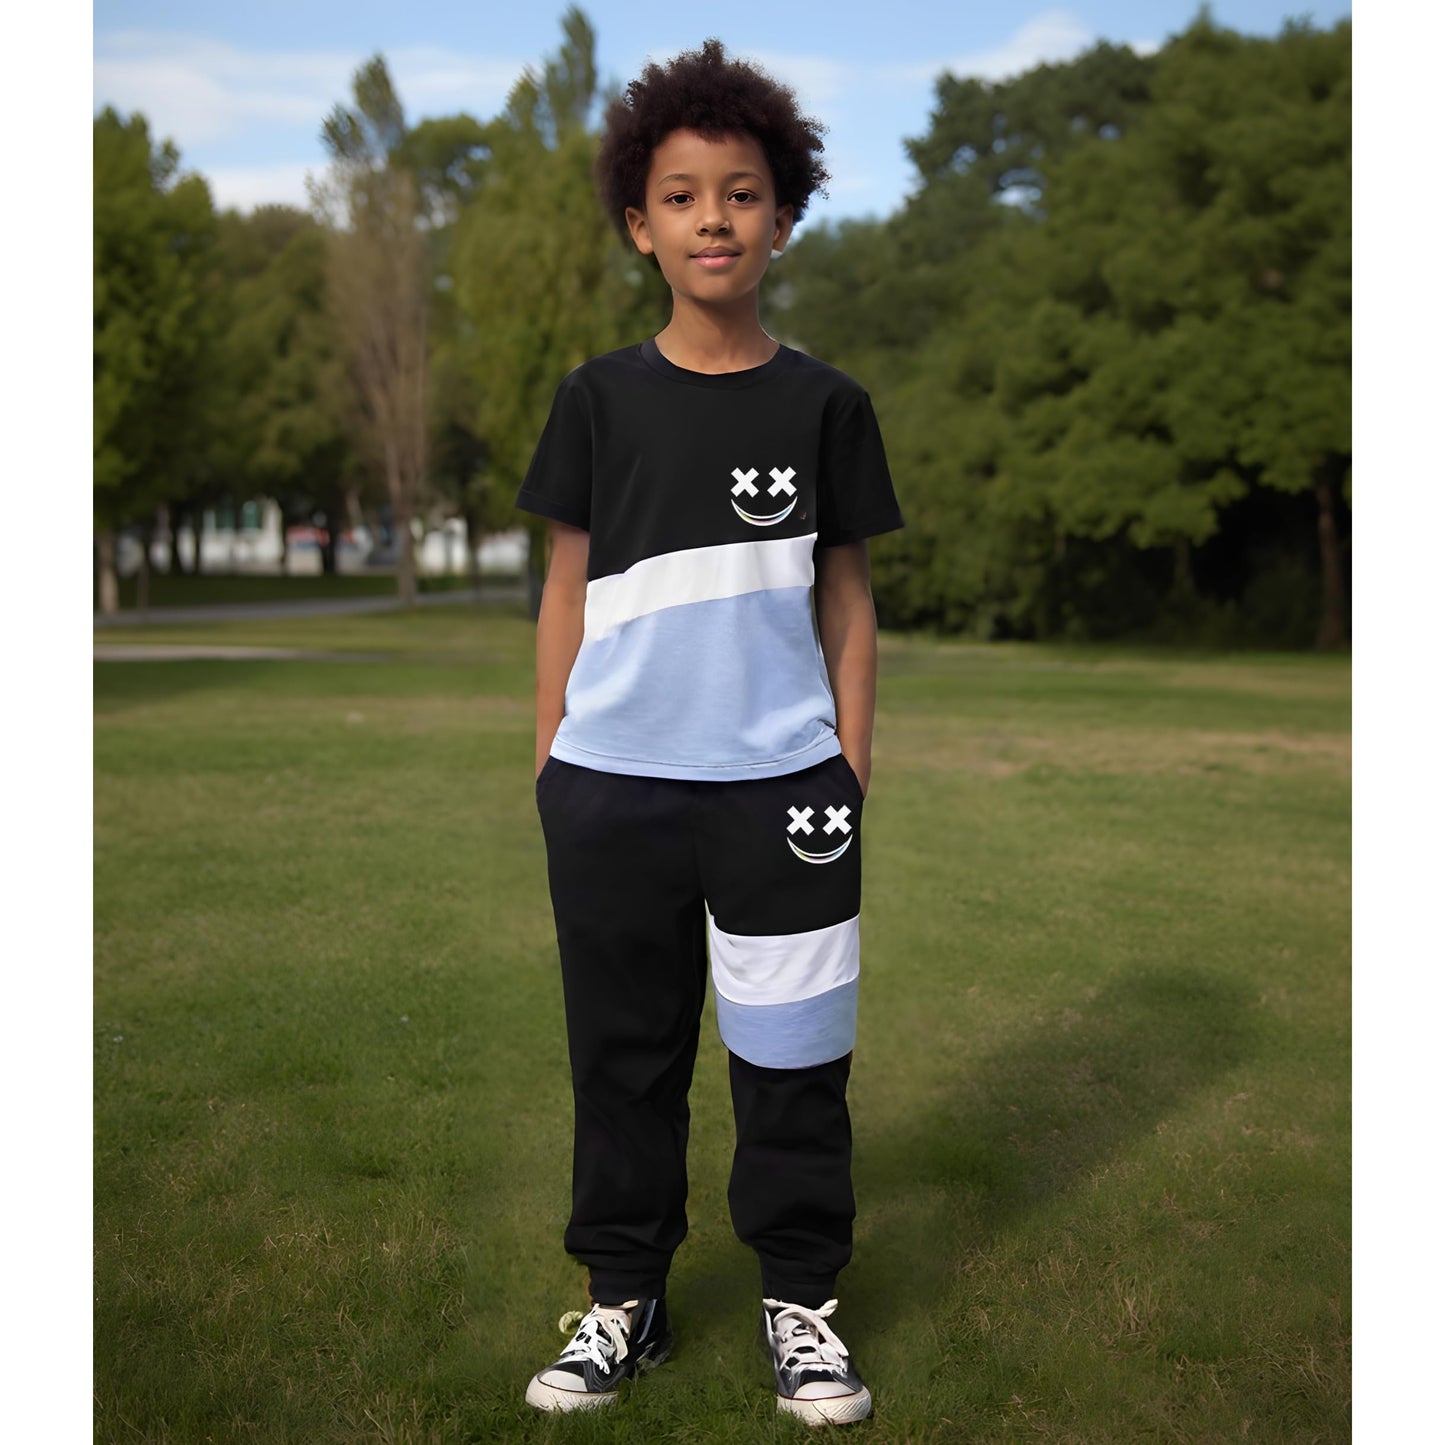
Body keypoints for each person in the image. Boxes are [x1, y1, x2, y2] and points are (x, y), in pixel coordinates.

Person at [515, 37, 904, 1427]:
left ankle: (803, 1304)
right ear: (641, 222)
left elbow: (848, 601)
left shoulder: (824, 405)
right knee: (621, 1059)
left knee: (794, 1064)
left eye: (740, 193)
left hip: (782, 794)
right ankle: (622, 1299)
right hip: (612, 788)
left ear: (783, 213)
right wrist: (552, 755)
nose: (713, 219)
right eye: (682, 196)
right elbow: (564, 582)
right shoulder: (598, 398)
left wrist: (846, 763)